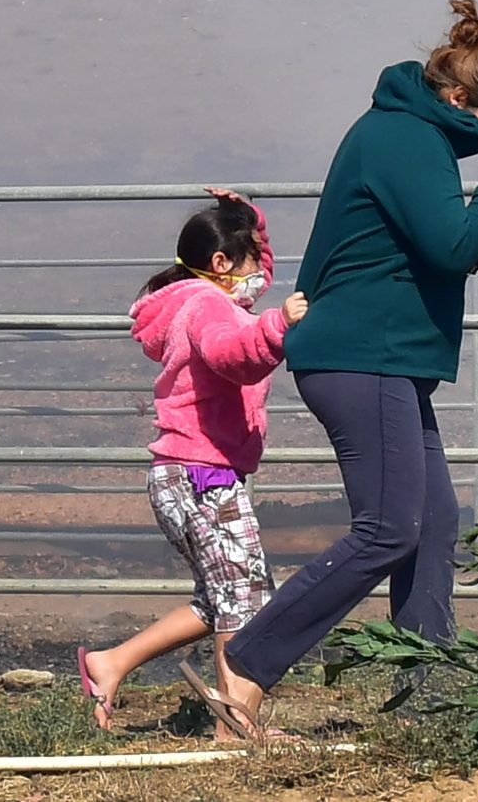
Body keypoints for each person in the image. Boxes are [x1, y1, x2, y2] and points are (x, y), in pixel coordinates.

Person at [211, 0, 478, 737]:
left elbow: (422, 243)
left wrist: (473, 237)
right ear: (457, 101)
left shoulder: (402, 133)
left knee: (433, 519)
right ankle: (246, 667)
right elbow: (445, 245)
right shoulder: (408, 138)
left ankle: (430, 703)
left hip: (378, 356)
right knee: (388, 526)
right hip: (364, 356)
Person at [77, 190, 307, 740]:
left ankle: (110, 663)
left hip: (182, 475)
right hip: (203, 477)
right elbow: (232, 354)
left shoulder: (194, 297)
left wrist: (250, 221)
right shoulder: (208, 307)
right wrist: (278, 326)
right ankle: (235, 724)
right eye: (250, 258)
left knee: (221, 596)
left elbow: (252, 284)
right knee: (244, 596)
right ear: (222, 265)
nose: (263, 272)